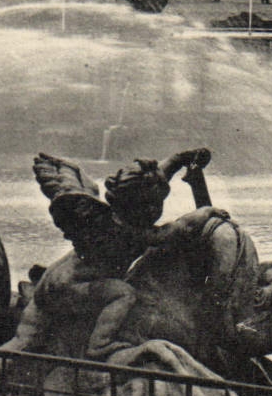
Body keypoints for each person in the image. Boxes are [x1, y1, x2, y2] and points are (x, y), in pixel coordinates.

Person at [27, 150, 226, 360]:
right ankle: (99, 345)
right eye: (153, 204)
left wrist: (182, 159)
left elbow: (155, 178)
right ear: (142, 207)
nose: (156, 208)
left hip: (63, 276)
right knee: (124, 293)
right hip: (70, 286)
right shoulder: (129, 230)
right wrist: (205, 213)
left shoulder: (123, 211)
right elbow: (175, 229)